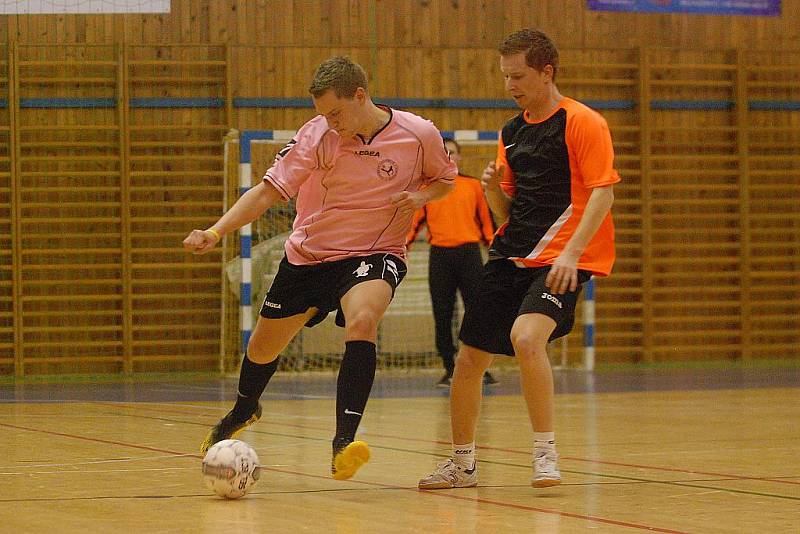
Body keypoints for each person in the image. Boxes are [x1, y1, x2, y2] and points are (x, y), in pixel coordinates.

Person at [183, 56, 456, 481]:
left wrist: (421, 198)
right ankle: (243, 408)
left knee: (364, 319)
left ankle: (343, 443)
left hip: (376, 251)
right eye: (323, 114)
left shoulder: (419, 133)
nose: (330, 122)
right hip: (309, 257)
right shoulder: (316, 136)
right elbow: (266, 193)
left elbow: (444, 179)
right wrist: (217, 232)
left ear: (360, 95)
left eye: (335, 112)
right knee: (261, 350)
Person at [418, 28, 619, 489]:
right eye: (505, 76)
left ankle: (545, 454)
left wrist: (571, 253)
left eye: (519, 75)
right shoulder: (510, 132)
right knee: (469, 359)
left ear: (547, 72)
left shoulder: (583, 122)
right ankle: (462, 463)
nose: (510, 85)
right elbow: (508, 211)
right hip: (510, 255)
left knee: (528, 338)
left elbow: (602, 194)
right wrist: (491, 190)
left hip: (562, 259)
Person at [405, 138, 498, 388]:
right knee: (443, 314)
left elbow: (487, 225)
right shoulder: (429, 189)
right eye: (445, 153)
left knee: (477, 312)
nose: (450, 157)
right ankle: (449, 367)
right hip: (440, 257)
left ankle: (480, 368)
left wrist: (497, 254)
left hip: (469, 255)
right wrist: (403, 249)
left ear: (459, 158)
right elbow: (414, 224)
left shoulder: (473, 186)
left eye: (453, 153)